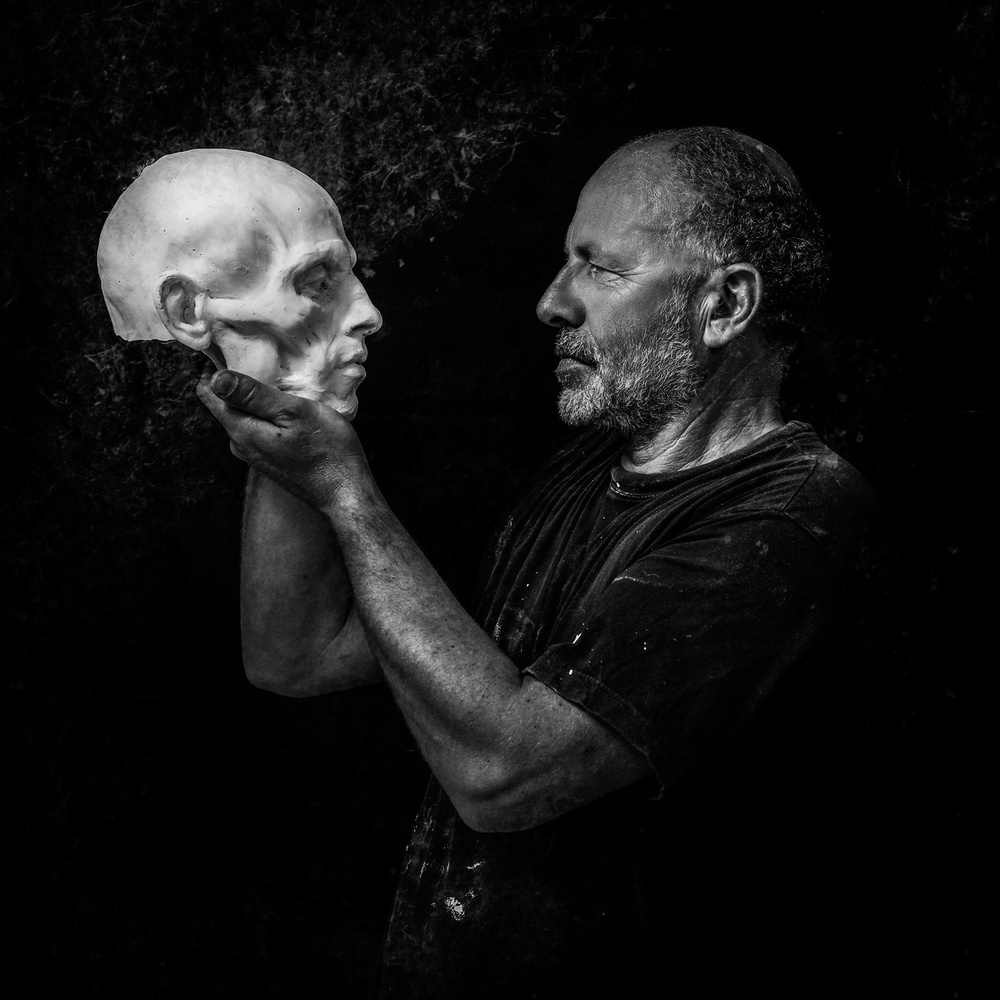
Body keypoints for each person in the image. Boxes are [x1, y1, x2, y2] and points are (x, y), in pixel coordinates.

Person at [198, 126, 891, 998]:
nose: (552, 302)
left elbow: (503, 774)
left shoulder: (794, 524)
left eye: (599, 267)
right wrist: (292, 415)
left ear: (724, 305)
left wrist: (344, 491)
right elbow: (295, 653)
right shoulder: (579, 474)